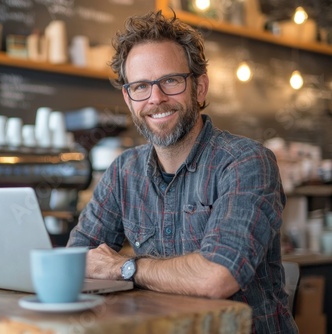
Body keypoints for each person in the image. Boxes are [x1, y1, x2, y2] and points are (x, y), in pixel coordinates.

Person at [67, 10, 298, 333]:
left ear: (199, 88)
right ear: (129, 98)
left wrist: (125, 267)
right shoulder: (124, 171)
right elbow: (77, 258)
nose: (156, 99)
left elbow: (218, 276)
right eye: (141, 87)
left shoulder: (246, 162)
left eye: (171, 81)